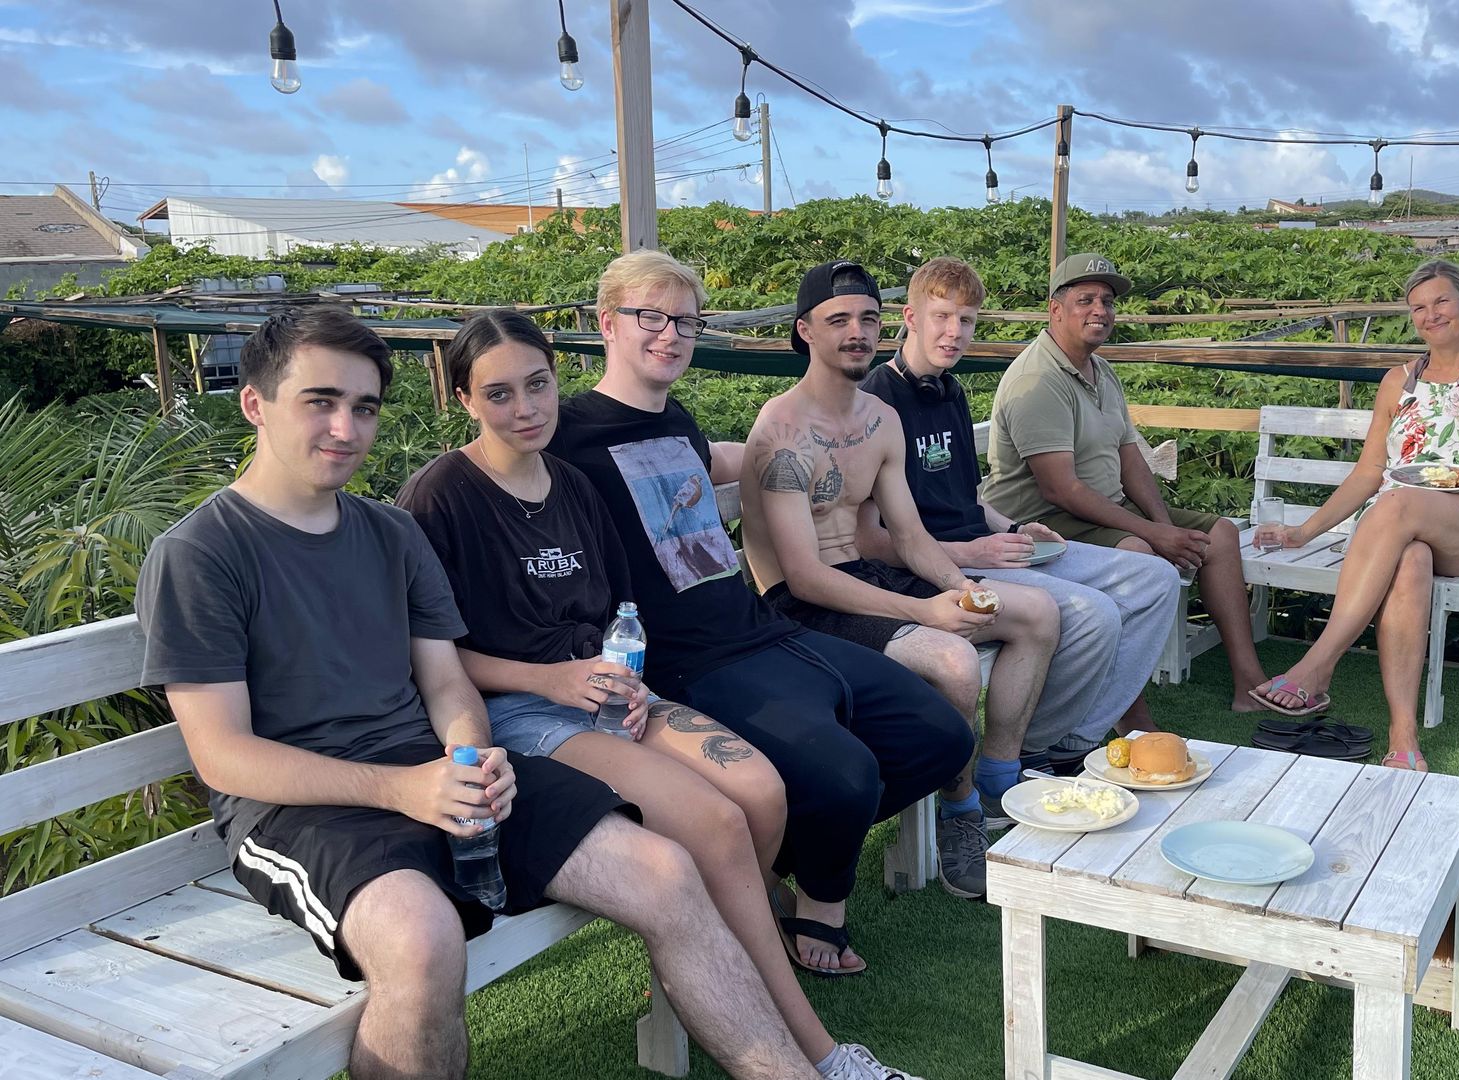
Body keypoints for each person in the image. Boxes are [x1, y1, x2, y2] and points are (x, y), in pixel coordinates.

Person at [133, 307, 830, 1080]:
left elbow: (444, 680)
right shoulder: (202, 553)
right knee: (422, 940)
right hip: (302, 810)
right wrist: (407, 788)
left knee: (666, 872)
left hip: (439, 773)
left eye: (364, 407)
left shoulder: (390, 533)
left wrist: (470, 755)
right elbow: (223, 756)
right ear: (255, 404)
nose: (346, 428)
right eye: (320, 402)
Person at [394, 310, 922, 1079]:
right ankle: (822, 1053)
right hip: (517, 710)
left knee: (760, 789)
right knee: (716, 821)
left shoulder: (573, 486)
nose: (526, 408)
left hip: (601, 690)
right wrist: (552, 679)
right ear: (465, 399)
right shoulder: (441, 496)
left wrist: (629, 677)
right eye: (499, 394)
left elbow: (616, 609)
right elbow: (433, 660)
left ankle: (720, 958)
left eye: (538, 385)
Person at [548, 250, 972, 978]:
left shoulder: (676, 418)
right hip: (682, 659)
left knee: (940, 734)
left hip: (757, 628)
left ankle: (774, 863)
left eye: (686, 321)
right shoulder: (564, 434)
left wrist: (761, 453)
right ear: (607, 322)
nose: (670, 335)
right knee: (846, 773)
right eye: (651, 317)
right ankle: (819, 904)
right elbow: (495, 481)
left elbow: (707, 460)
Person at [741, 259, 1060, 901]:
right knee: (953, 659)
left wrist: (961, 589)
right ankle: (959, 812)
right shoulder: (782, 431)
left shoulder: (880, 420)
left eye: (867, 318)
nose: (857, 332)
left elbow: (910, 538)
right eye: (838, 320)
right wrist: (928, 613)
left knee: (1037, 614)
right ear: (805, 330)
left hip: (865, 578)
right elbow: (803, 577)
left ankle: (998, 778)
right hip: (800, 607)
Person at [855, 257, 1182, 775]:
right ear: (910, 318)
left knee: (1156, 579)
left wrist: (1010, 527)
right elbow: (870, 539)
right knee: (1093, 613)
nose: (954, 332)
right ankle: (1033, 752)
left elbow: (968, 496)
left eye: (966, 320)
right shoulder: (877, 400)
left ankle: (1072, 737)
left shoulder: (949, 390)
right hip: (940, 567)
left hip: (990, 548)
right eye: (941, 317)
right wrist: (973, 551)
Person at [1249, 259, 1459, 771]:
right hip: (1397, 523)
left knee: (1397, 504)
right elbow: (1370, 471)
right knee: (1411, 559)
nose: (1431, 314)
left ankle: (1318, 665)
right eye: (1418, 308)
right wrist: (1304, 532)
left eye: (1441, 301)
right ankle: (1404, 738)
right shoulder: (1399, 381)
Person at [980, 252, 1273, 712]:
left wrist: (1164, 526)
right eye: (1086, 300)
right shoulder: (1037, 380)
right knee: (1138, 554)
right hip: (1042, 520)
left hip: (1101, 507)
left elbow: (1130, 457)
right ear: (1055, 309)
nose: (1100, 310)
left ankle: (1249, 683)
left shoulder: (1100, 369)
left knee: (1219, 534)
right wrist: (1153, 535)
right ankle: (1126, 715)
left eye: (1107, 301)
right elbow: (1061, 490)